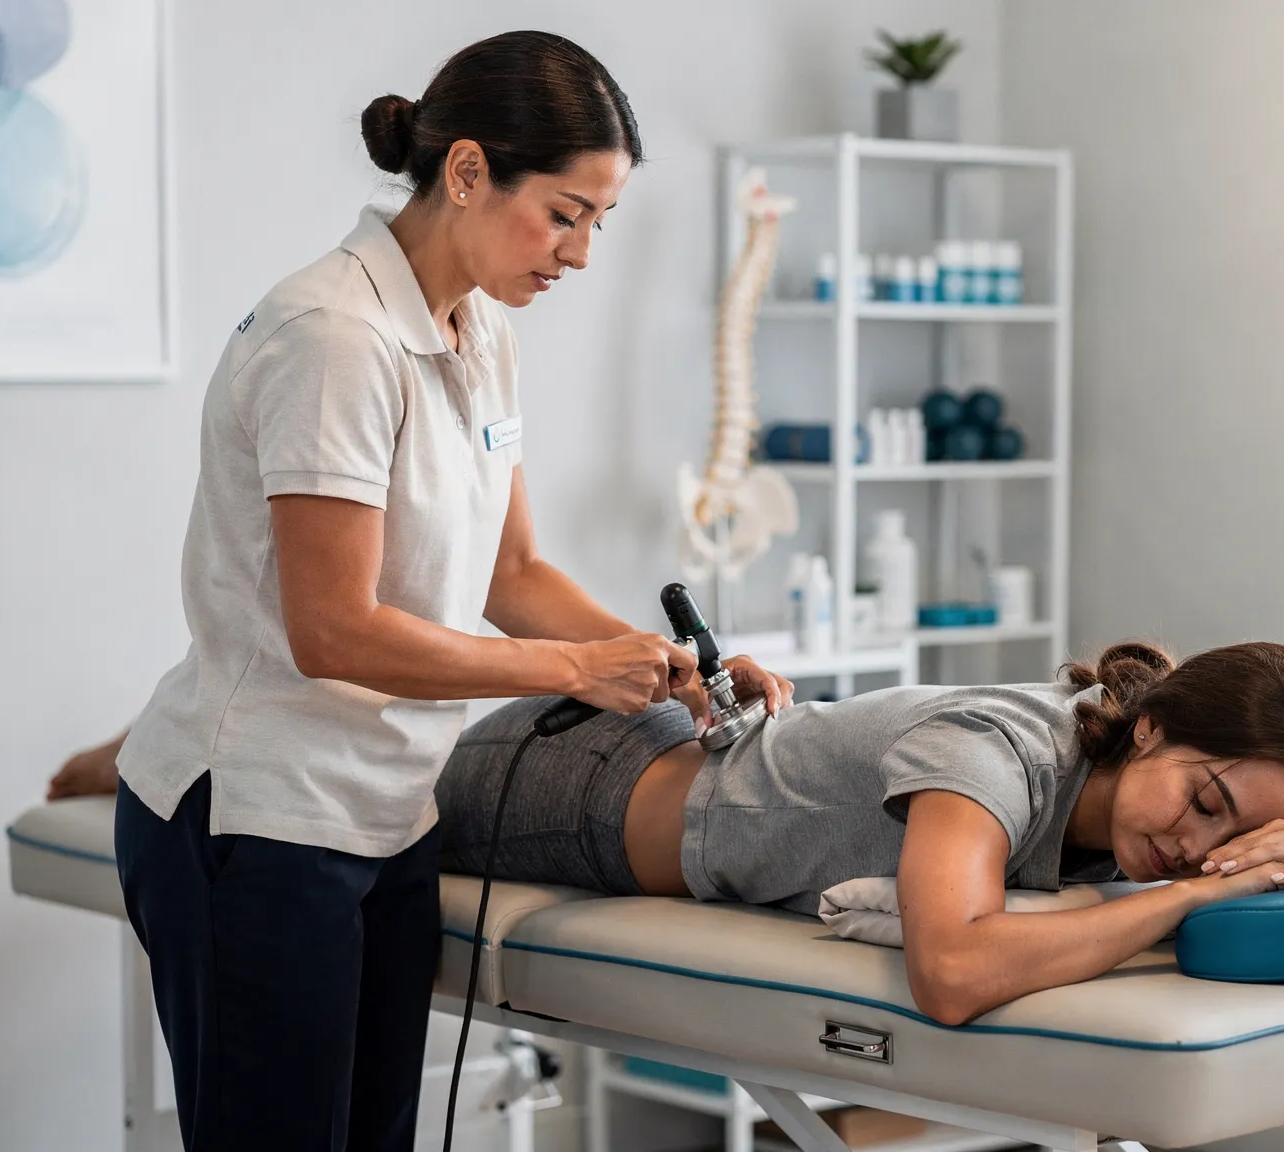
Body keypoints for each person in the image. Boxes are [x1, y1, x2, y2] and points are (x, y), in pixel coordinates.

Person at [107, 31, 787, 1152]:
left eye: (597, 224)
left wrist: (670, 666)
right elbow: (333, 630)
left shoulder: (483, 332)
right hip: (261, 821)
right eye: (565, 212)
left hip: (388, 818)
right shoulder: (335, 336)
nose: (578, 251)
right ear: (466, 171)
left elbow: (511, 575)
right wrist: (578, 671)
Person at [429, 639, 1284, 1025]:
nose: (1196, 845)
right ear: (1149, 726)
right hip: (565, 787)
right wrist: (1186, 899)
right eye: (1201, 804)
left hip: (654, 752)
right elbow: (952, 973)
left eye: (1232, 837)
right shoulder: (995, 753)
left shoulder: (1187, 780)